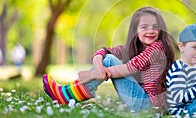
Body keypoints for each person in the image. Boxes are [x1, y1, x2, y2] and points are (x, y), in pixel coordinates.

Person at [43, 6, 175, 112]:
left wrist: (94, 74)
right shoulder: (136, 47)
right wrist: (99, 69)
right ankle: (71, 93)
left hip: (149, 106)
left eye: (155, 27)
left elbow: (127, 69)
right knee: (108, 57)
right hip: (142, 102)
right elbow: (103, 51)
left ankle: (68, 94)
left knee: (110, 60)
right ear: (135, 30)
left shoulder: (157, 48)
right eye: (144, 27)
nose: (150, 31)